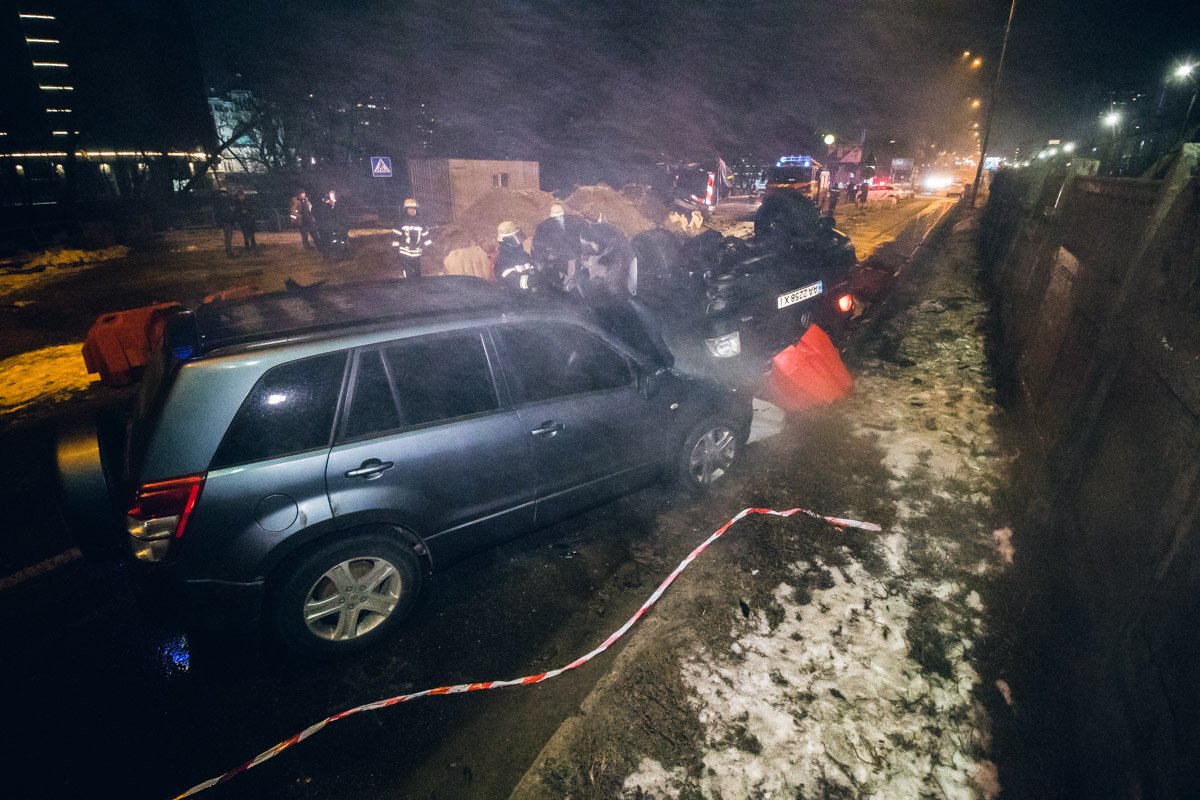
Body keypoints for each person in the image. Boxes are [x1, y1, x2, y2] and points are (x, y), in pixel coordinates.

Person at [532, 203, 586, 291]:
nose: (559, 219)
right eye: (556, 217)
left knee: (576, 284)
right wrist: (550, 256)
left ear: (563, 214)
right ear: (551, 217)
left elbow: (583, 236)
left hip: (575, 260)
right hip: (557, 264)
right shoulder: (543, 228)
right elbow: (538, 249)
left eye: (561, 216)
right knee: (561, 286)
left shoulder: (574, 223)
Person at [391, 197, 432, 278]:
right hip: (404, 253)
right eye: (409, 208)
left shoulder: (421, 222)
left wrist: (431, 248)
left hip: (417, 253)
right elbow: (396, 238)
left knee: (417, 275)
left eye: (413, 208)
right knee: (408, 276)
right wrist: (395, 251)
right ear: (405, 210)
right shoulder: (400, 222)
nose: (412, 210)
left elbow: (426, 237)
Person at [495, 221, 536, 290]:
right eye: (514, 238)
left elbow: (534, 268)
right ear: (506, 242)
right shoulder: (501, 261)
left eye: (518, 237)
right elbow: (514, 282)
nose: (519, 242)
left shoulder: (524, 255)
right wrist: (534, 280)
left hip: (531, 295)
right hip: (516, 299)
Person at [214, 188, 238, 258]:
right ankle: (229, 252)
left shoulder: (220, 202)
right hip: (227, 221)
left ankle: (229, 252)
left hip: (226, 222)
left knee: (228, 237)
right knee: (228, 237)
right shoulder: (225, 202)